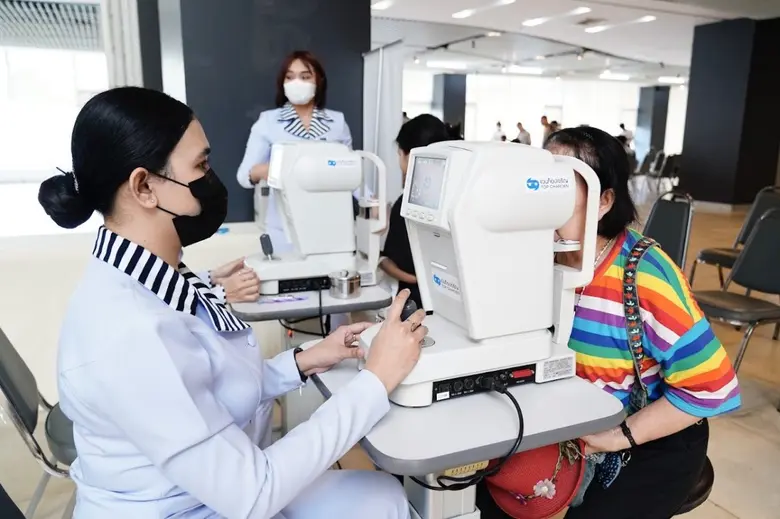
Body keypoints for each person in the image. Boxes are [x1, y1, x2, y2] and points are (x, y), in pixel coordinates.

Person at [37, 86, 429, 519]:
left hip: (209, 488)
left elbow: (216, 386)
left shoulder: (154, 274)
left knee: (382, 496)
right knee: (382, 502)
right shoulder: (127, 333)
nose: (210, 178)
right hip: (187, 507)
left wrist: (303, 359)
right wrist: (375, 380)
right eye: (200, 165)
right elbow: (253, 493)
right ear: (144, 186)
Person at [476, 126, 741, 519]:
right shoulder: (535, 258)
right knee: (485, 499)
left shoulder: (644, 276)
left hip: (650, 436)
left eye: (562, 188)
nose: (544, 202)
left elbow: (711, 387)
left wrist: (620, 436)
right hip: (572, 422)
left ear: (604, 201)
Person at [235, 50, 353, 253]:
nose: (296, 82)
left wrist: (374, 204)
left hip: (330, 225)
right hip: (284, 227)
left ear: (319, 81)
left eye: (305, 76)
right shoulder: (268, 122)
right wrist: (271, 170)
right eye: (290, 77)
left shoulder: (337, 123)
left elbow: (351, 172)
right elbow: (244, 175)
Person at [381, 115, 450, 309]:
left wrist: (381, 262)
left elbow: (402, 268)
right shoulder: (456, 197)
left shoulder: (407, 205)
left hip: (416, 305)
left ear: (409, 155)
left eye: (398, 153)